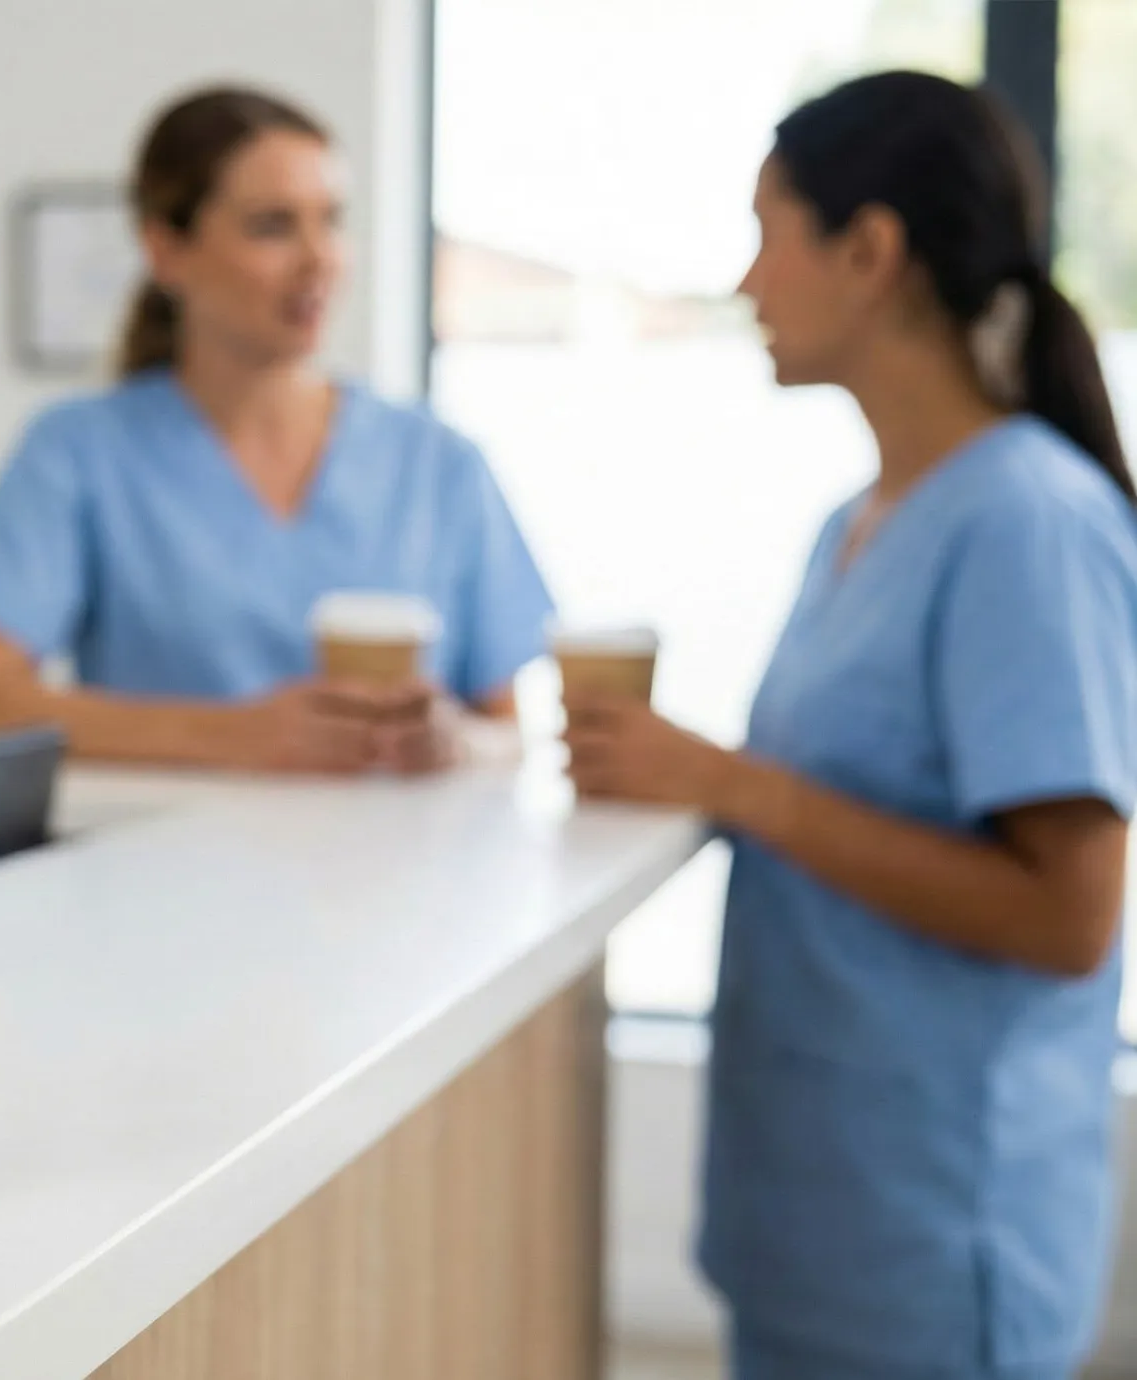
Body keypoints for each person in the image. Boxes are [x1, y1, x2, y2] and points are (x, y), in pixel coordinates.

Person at [565, 71, 1137, 1380]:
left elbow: (1068, 916)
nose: (747, 279)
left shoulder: (1026, 526)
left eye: (768, 230)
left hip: (935, 1250)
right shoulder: (860, 523)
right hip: (818, 1229)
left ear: (870, 252)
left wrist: (735, 786)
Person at [0, 86, 553, 774]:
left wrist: (459, 742)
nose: (320, 258)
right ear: (167, 250)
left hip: (411, 874)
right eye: (273, 226)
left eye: (332, 221)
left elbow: (507, 731)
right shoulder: (77, 452)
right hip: (167, 872)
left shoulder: (438, 463)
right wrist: (233, 736)